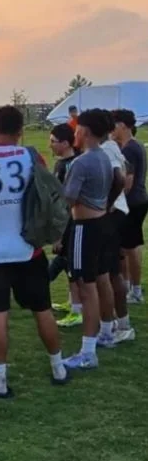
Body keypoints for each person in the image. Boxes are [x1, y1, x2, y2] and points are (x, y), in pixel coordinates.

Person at [0, 106, 69, 397]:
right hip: (28, 246)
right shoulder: (30, 156)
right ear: (21, 130)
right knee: (42, 310)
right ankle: (58, 367)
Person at [62, 109, 122, 369]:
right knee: (102, 279)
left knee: (86, 287)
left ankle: (88, 352)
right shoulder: (104, 157)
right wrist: (107, 204)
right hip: (103, 223)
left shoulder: (82, 162)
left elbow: (68, 199)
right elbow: (119, 180)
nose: (74, 133)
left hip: (84, 228)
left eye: (76, 129)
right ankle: (107, 332)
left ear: (84, 131)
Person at [98, 112, 134, 345]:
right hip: (117, 213)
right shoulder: (112, 147)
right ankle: (119, 323)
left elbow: (120, 178)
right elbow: (127, 167)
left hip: (112, 215)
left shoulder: (107, 149)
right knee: (111, 272)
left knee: (108, 273)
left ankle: (117, 325)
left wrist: (108, 204)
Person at [48, 124, 83, 327]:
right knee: (67, 262)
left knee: (71, 267)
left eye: (53, 141)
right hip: (67, 222)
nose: (50, 145)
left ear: (65, 143)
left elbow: (65, 202)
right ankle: (73, 303)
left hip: (70, 224)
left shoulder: (69, 165)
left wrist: (59, 234)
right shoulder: (63, 163)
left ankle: (77, 311)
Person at [112, 109, 148, 304]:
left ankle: (134, 290)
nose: (112, 129)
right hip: (139, 200)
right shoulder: (134, 145)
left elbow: (128, 181)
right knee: (130, 246)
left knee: (129, 247)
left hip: (132, 203)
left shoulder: (129, 149)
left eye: (114, 125)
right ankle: (131, 287)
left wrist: (113, 201)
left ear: (123, 125)